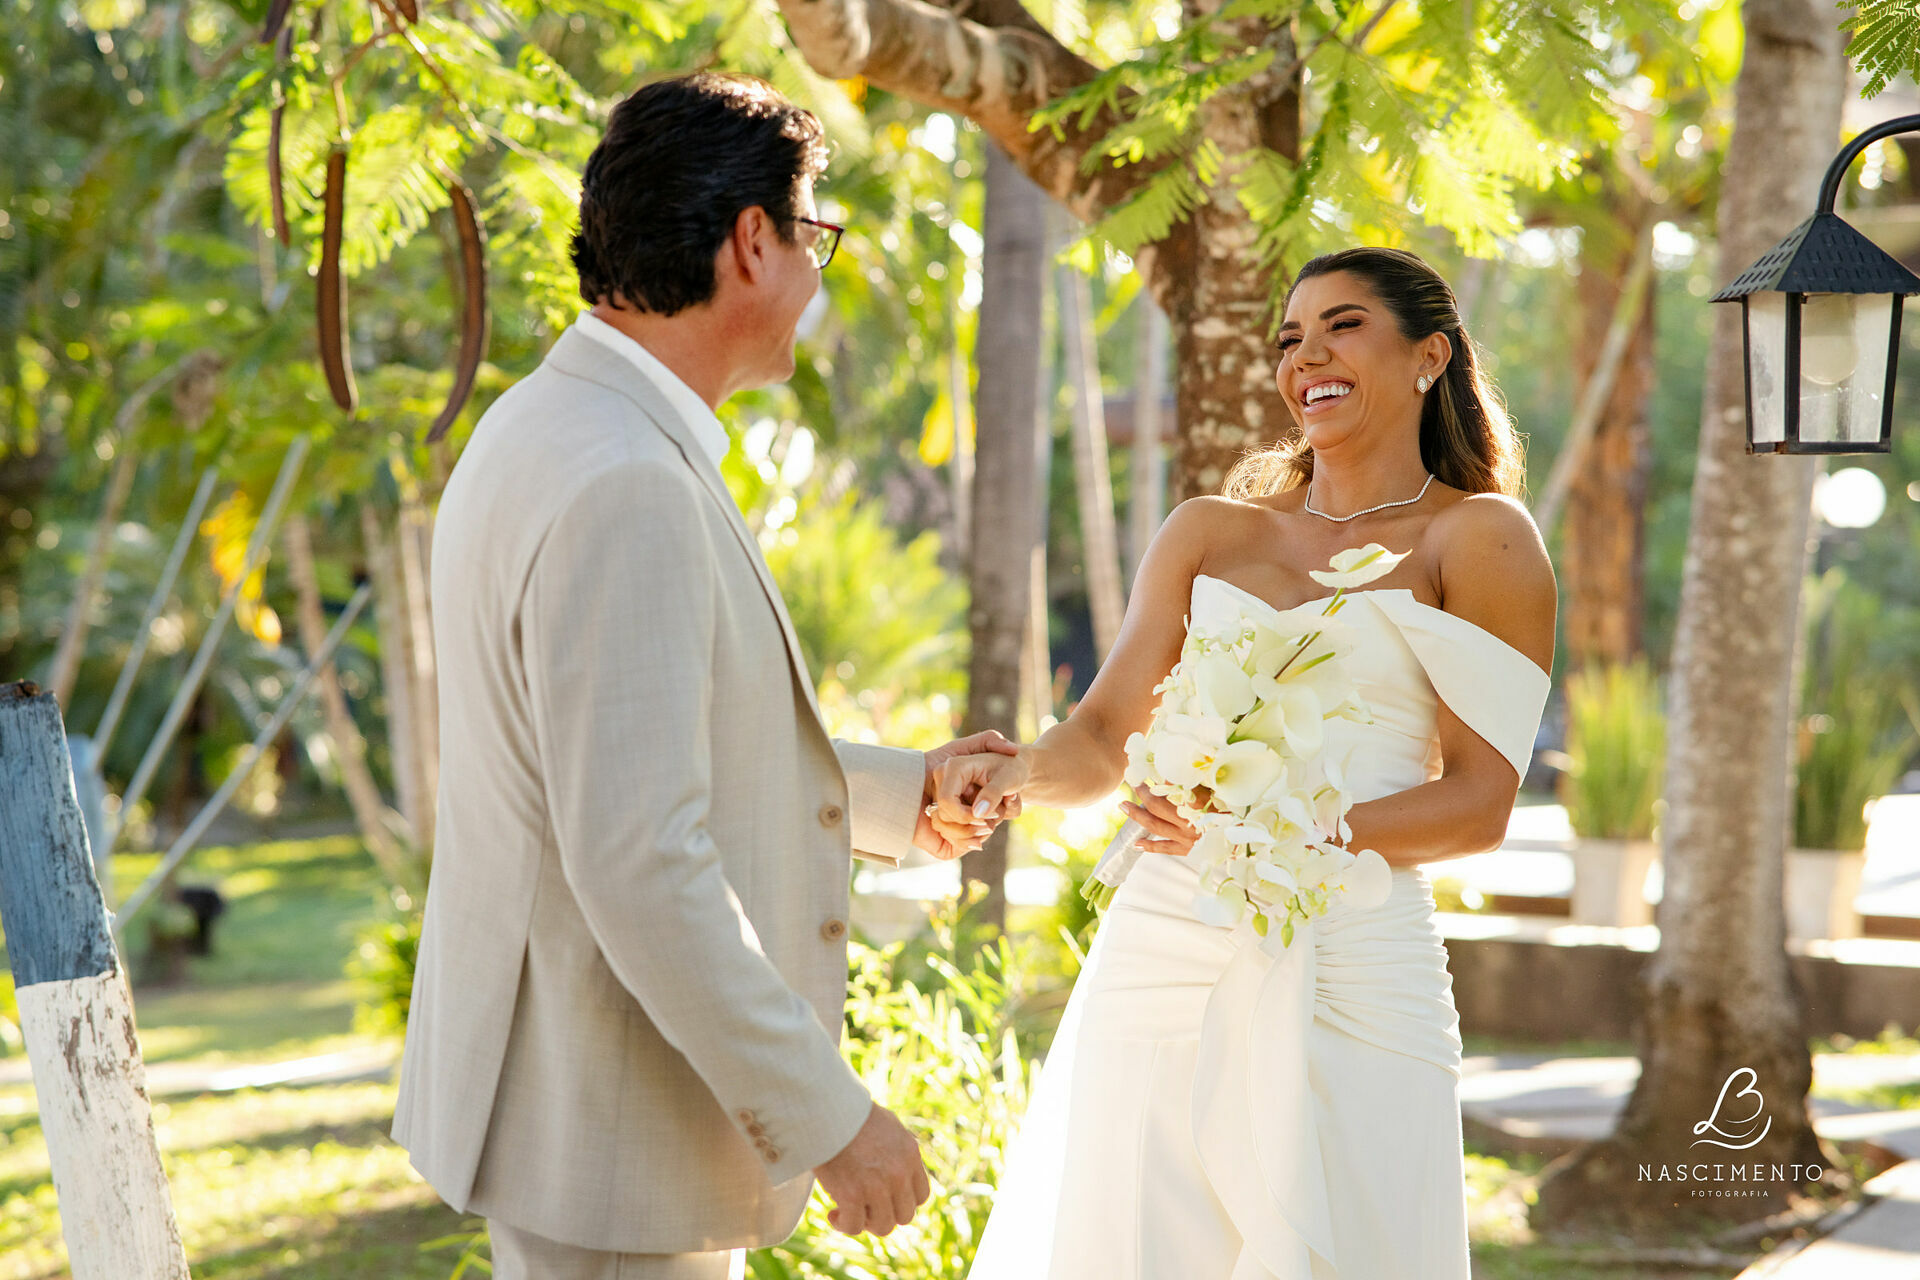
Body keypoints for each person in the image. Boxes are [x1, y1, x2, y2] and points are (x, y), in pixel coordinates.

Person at [391, 72, 1014, 1280]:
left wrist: (899, 795)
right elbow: (638, 857)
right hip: (621, 1134)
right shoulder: (628, 478)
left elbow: (621, 759)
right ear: (750, 243)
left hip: (578, 1108)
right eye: (815, 234)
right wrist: (832, 1116)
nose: (817, 272)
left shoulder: (545, 423)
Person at [934, 246, 1557, 1279]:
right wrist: (1014, 775)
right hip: (1166, 944)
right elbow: (1100, 737)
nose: (1305, 352)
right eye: (1289, 336)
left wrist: (1268, 833)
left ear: (1430, 355)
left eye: (1342, 325)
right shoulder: (1209, 532)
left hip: (1356, 962)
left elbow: (1481, 801)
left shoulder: (1479, 536)